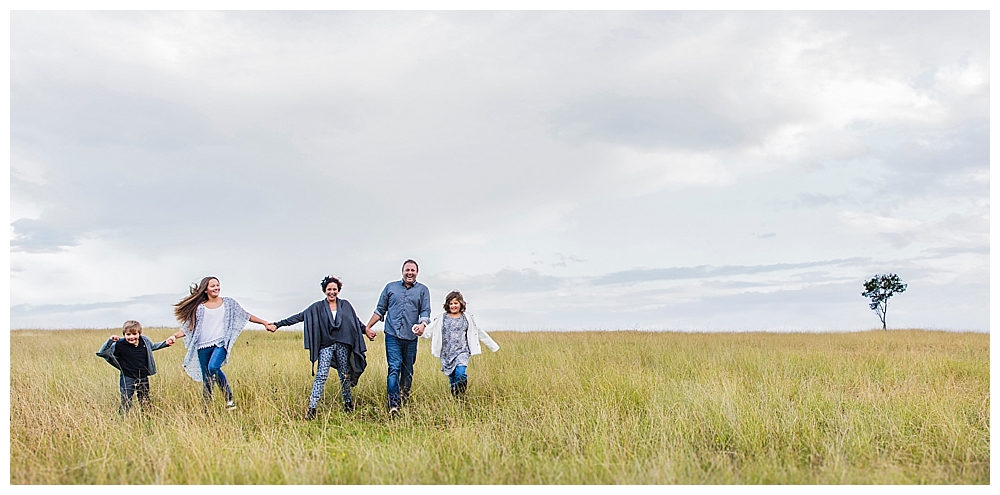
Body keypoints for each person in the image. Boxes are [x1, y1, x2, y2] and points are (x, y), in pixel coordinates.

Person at [169, 276, 274, 410]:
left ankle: (229, 398)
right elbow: (188, 328)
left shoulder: (229, 303)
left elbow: (245, 315)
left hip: (220, 344)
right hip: (202, 346)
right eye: (212, 286)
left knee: (213, 367)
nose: (216, 288)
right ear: (205, 289)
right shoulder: (199, 308)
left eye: (217, 285)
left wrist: (264, 322)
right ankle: (207, 409)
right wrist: (174, 336)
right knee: (207, 379)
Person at [272, 275, 368, 419]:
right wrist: (277, 324)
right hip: (326, 346)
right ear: (324, 290)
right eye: (329, 289)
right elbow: (299, 316)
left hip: (343, 345)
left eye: (334, 289)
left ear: (338, 290)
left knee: (344, 375)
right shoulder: (317, 307)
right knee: (321, 375)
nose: (332, 292)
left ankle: (348, 403)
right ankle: (312, 408)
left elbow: (356, 322)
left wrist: (366, 330)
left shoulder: (345, 305)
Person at [364, 259, 431, 413]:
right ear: (402, 271)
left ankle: (404, 396)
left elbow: (425, 312)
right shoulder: (390, 287)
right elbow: (380, 309)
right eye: (407, 270)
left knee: (407, 370)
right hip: (392, 335)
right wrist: (368, 327)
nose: (410, 273)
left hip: (411, 337)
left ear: (417, 273)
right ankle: (393, 404)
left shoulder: (423, 290)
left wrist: (422, 325)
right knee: (394, 368)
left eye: (413, 270)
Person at [419, 290, 499, 397]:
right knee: (453, 378)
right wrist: (418, 331)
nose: (453, 306)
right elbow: (428, 332)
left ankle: (461, 395)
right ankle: (457, 399)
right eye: (451, 303)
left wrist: (493, 346)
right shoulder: (441, 318)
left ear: (461, 303)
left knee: (460, 374)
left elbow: (478, 332)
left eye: (455, 303)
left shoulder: (467, 318)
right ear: (447, 305)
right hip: (447, 353)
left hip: (462, 352)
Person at [96, 320, 175, 413]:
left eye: (134, 334)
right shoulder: (119, 344)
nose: (131, 337)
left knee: (145, 399)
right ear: (124, 334)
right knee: (126, 400)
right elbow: (102, 352)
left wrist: (165, 343)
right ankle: (122, 419)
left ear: (139, 334)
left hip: (143, 376)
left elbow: (153, 346)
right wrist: (109, 341)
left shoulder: (144, 341)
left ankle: (147, 417)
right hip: (127, 376)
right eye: (128, 334)